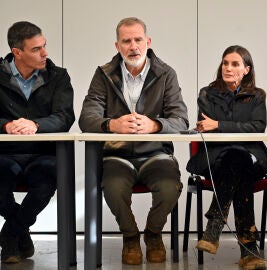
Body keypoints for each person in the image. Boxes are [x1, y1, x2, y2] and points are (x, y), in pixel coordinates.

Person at [79, 17, 188, 265]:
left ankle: (152, 234)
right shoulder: (103, 74)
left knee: (170, 188)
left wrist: (156, 125)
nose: (133, 46)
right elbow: (87, 117)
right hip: (117, 155)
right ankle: (130, 237)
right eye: (126, 41)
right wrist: (111, 125)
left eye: (138, 40)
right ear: (117, 46)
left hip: (156, 154)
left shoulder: (166, 74)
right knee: (114, 189)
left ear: (148, 42)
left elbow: (181, 120)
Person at [186, 45, 267, 270]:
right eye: (225, 63)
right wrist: (224, 129)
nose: (228, 67)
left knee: (239, 160)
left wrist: (219, 125)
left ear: (246, 70)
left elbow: (257, 127)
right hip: (215, 158)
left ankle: (215, 223)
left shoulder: (257, 95)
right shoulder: (207, 94)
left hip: (251, 157)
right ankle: (249, 250)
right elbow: (206, 127)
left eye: (235, 64)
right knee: (237, 163)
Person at [0, 21, 75, 263]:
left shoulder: (58, 76)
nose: (45, 53)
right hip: (5, 153)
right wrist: (5, 125)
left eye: (44, 46)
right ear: (17, 52)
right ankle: (19, 233)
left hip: (43, 154)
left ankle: (11, 234)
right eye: (36, 49)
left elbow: (65, 117)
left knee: (46, 182)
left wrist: (36, 125)